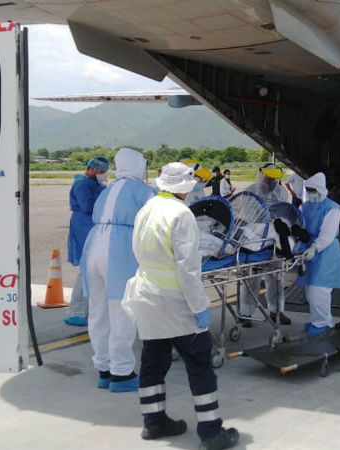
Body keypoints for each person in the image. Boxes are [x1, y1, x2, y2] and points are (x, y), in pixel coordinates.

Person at [121, 163, 239, 449]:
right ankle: (211, 432)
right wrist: (200, 307)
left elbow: (137, 249)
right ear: (185, 187)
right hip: (175, 300)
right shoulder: (182, 214)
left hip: (147, 295)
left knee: (154, 360)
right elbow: (188, 269)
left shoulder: (147, 208)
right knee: (199, 363)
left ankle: (154, 422)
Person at [80, 147, 155, 392]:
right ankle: (121, 373)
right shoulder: (145, 191)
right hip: (119, 249)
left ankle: (103, 368)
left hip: (94, 246)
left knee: (98, 311)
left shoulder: (107, 189)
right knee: (122, 310)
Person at [240, 162, 292, 327]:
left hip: (273, 240)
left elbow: (284, 213)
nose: (270, 181)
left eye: (274, 178)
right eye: (267, 177)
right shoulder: (249, 191)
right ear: (261, 175)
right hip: (253, 240)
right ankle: (246, 313)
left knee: (276, 278)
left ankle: (277, 311)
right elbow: (247, 216)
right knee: (251, 279)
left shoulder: (281, 191)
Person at [297, 172, 340, 334]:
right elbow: (301, 226)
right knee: (310, 291)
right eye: (308, 190)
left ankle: (324, 324)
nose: (310, 193)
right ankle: (317, 322)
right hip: (309, 250)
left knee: (320, 290)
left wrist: (314, 247)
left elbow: (327, 234)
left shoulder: (332, 208)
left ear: (320, 190)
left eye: (312, 190)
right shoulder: (306, 206)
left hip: (325, 251)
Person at [65, 156, 109, 327]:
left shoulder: (96, 185)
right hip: (84, 225)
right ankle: (75, 310)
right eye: (101, 171)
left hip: (93, 225)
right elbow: (87, 206)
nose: (104, 174)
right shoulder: (82, 184)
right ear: (92, 169)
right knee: (86, 268)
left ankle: (87, 309)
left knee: (92, 269)